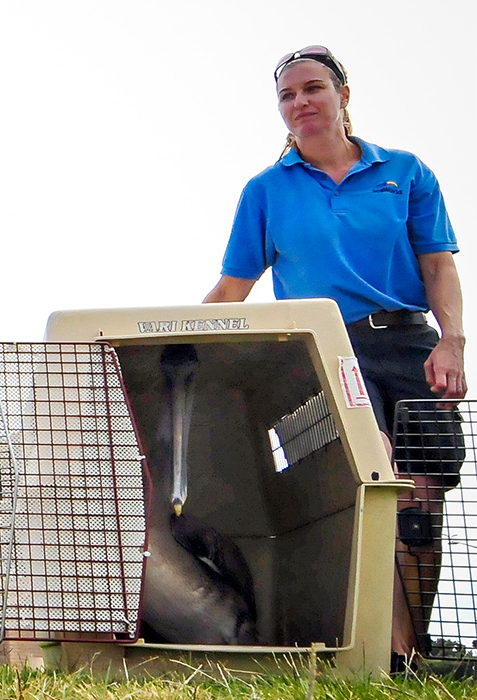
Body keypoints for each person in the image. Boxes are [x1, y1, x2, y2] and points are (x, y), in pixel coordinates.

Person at [203, 45, 464, 673]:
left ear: (343, 95)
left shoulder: (405, 171)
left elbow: (437, 265)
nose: (301, 103)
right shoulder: (265, 191)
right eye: (288, 95)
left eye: (313, 88)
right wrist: (169, 342)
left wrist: (452, 338)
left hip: (407, 344)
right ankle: (369, 649)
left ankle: (406, 654)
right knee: (372, 477)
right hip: (321, 350)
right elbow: (231, 292)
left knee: (421, 500)